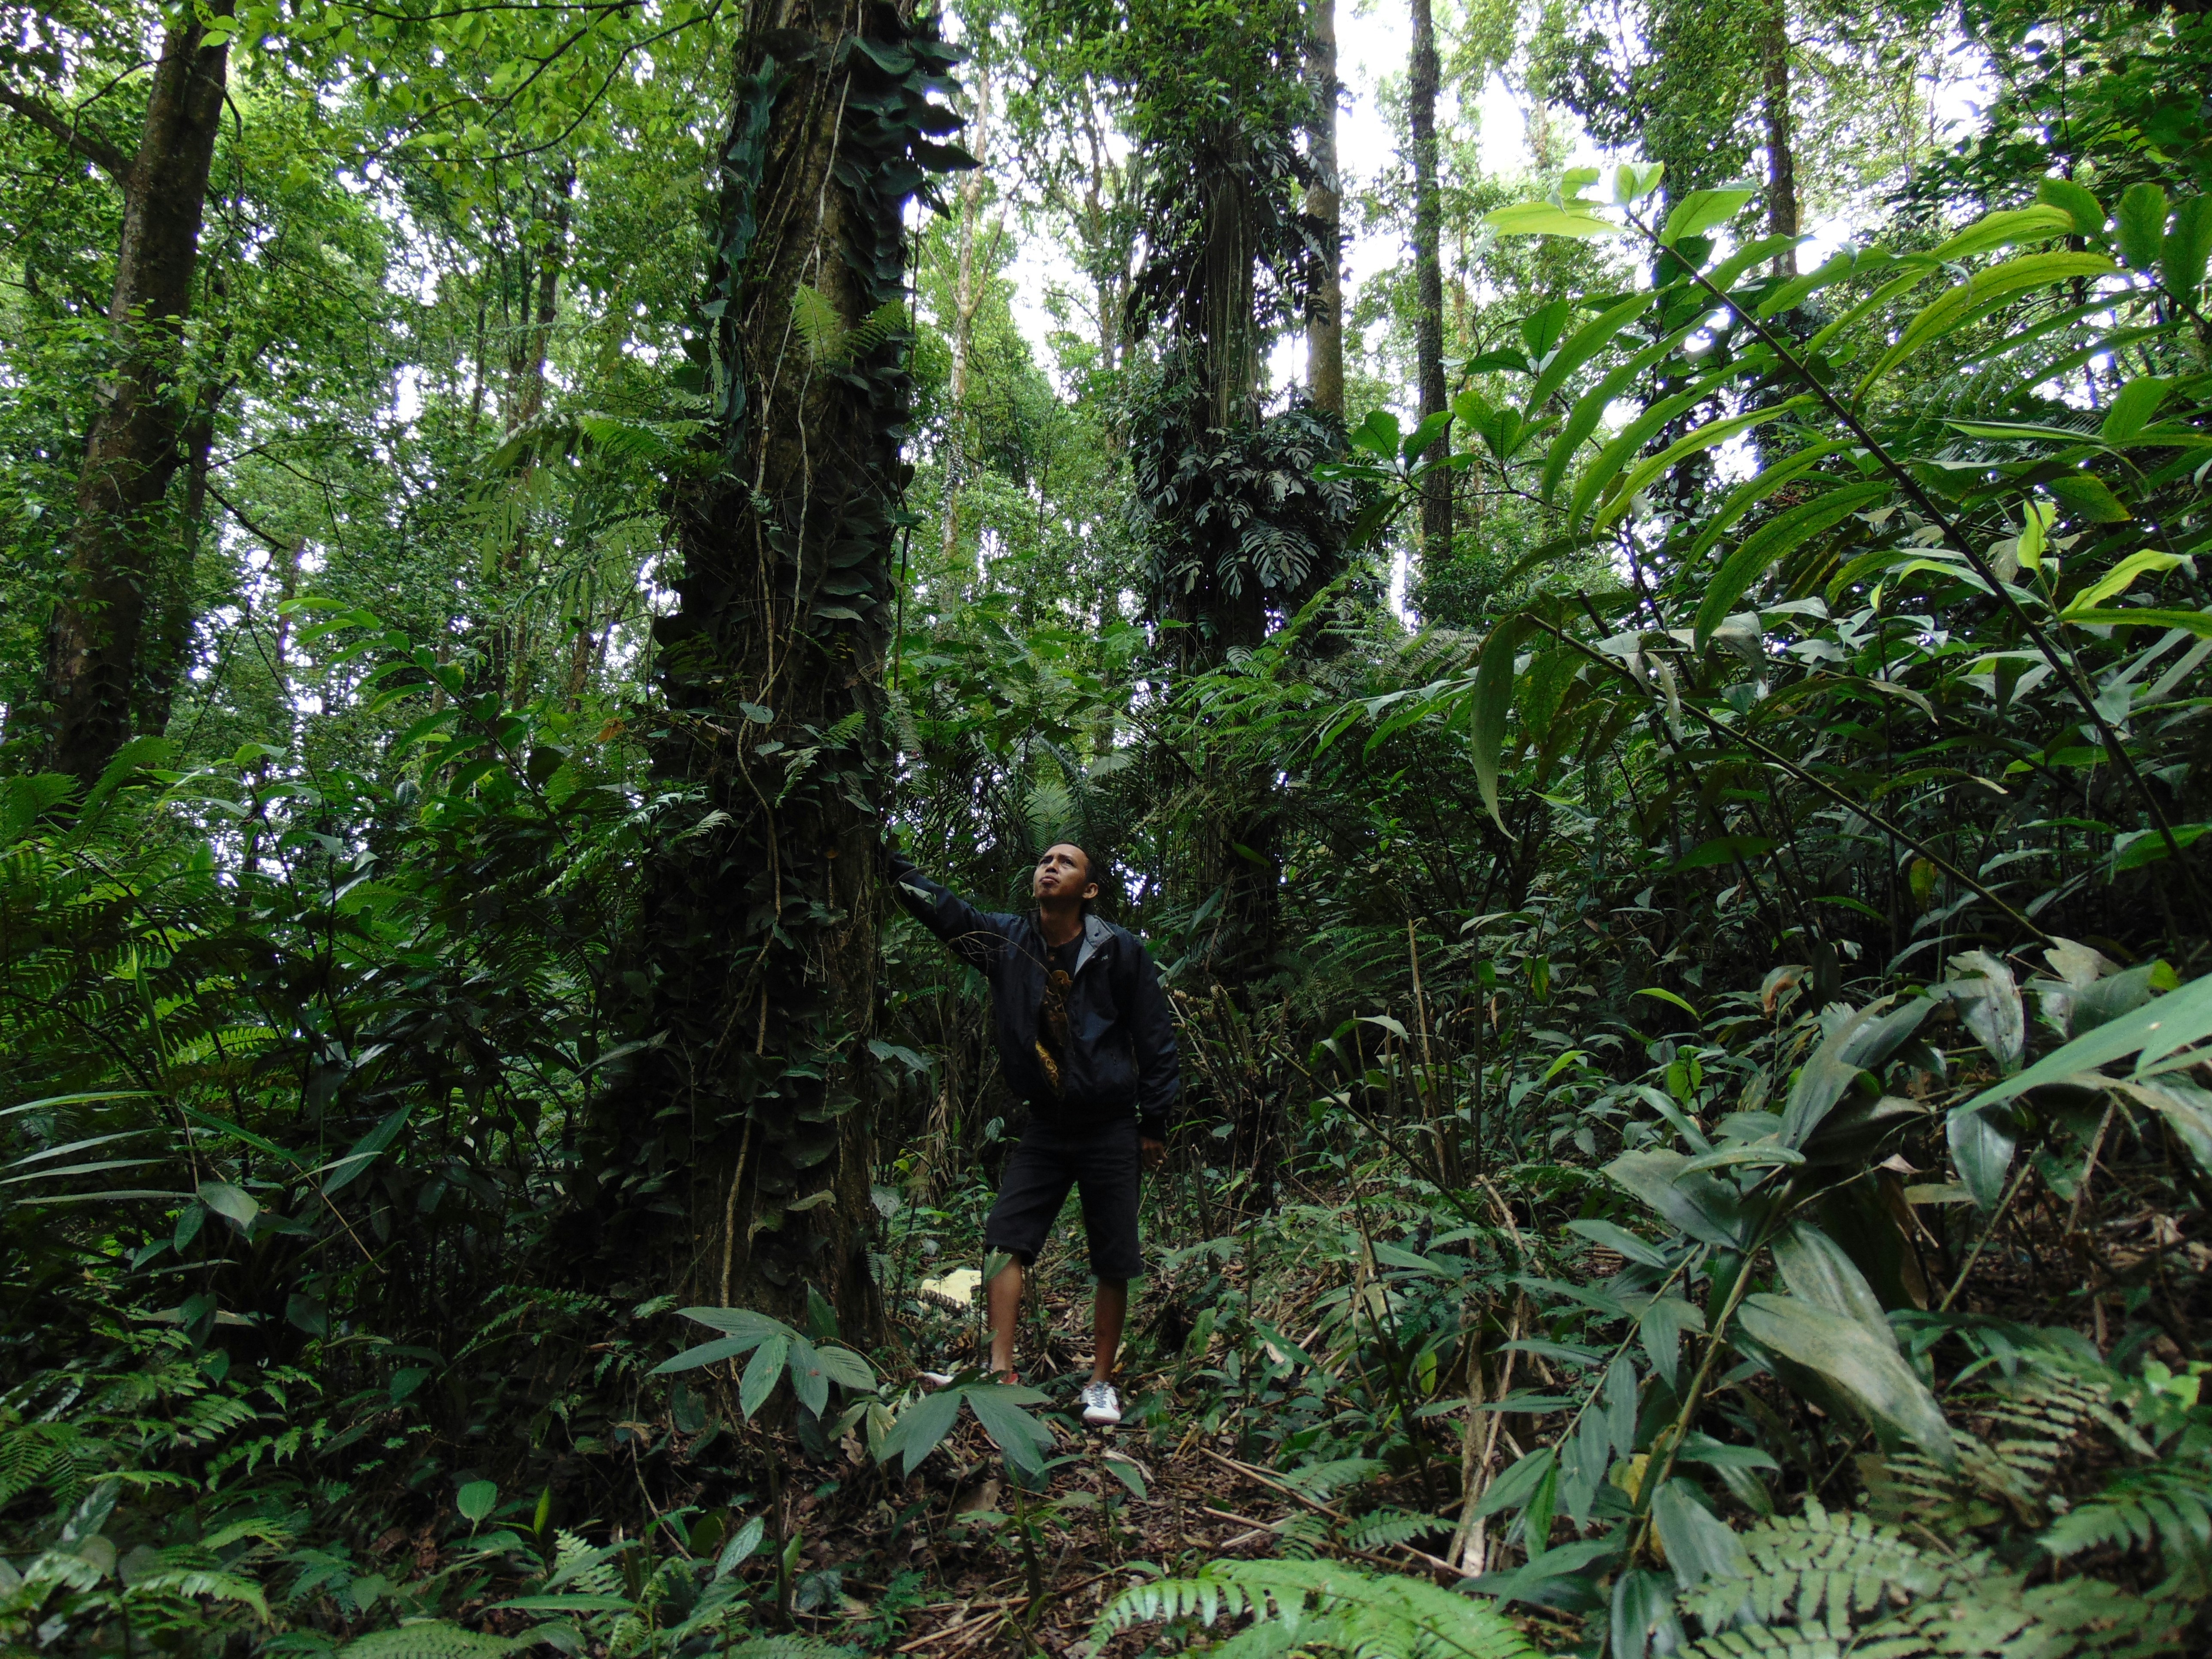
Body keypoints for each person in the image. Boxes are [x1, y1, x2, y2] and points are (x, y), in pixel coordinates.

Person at [885, 838, 1178, 1427]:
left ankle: (1100, 1383)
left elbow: (1155, 1039)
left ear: (1089, 890)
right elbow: (946, 912)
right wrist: (888, 864)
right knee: (1005, 1238)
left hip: (1111, 1124)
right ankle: (998, 1372)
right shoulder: (1008, 940)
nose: (1051, 867)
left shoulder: (1120, 952)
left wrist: (1156, 1124)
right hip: (1046, 1124)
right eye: (1046, 860)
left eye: (1067, 862)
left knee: (1113, 1255)